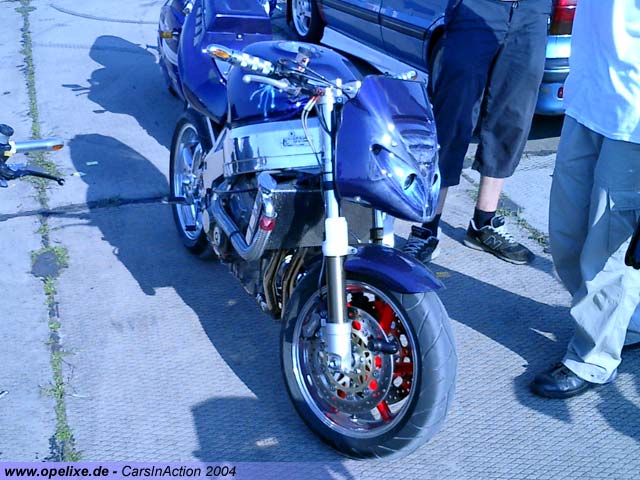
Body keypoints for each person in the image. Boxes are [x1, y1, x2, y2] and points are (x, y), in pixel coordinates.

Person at [531, 0, 640, 398]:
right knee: (567, 234)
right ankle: (626, 321)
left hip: (633, 118)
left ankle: (592, 358)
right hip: (586, 96)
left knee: (609, 249)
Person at [403, 0, 551, 265]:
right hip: (478, 6)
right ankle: (427, 226)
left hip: (531, 12)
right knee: (453, 116)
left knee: (513, 117)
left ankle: (484, 223)